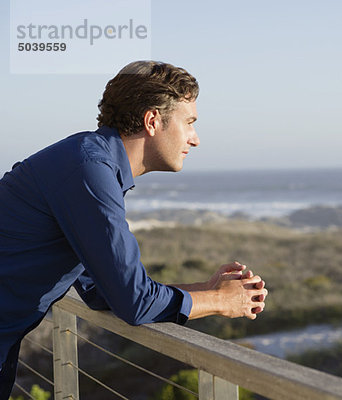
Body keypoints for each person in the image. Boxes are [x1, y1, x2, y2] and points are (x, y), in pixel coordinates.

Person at [0, 60, 268, 397]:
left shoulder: (88, 161)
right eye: (189, 123)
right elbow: (134, 302)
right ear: (153, 120)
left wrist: (204, 288)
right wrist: (218, 301)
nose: (195, 139)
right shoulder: (89, 171)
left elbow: (101, 292)